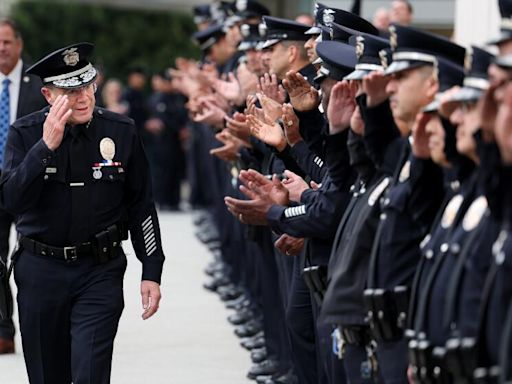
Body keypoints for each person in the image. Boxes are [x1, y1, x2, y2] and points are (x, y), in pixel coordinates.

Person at [0, 42, 165, 383]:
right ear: (48, 94)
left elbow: (141, 205)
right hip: (41, 270)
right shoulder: (25, 134)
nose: (83, 97)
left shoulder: (121, 131)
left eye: (87, 86)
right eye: (70, 91)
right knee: (48, 375)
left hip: (98, 270)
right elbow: (11, 200)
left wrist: (152, 268)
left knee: (90, 372)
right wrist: (44, 149)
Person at [0, 17, 46, 355]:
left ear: (19, 44)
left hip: (32, 183)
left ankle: (42, 323)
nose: (1, 48)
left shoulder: (40, 84)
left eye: (7, 42)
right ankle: (3, 327)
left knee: (34, 257)